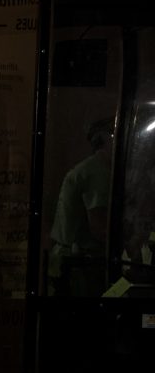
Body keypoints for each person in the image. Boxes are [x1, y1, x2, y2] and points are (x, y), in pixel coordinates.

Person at [47, 118, 114, 296]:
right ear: (108, 139)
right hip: (79, 265)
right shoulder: (98, 172)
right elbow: (99, 228)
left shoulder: (92, 168)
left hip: (71, 262)